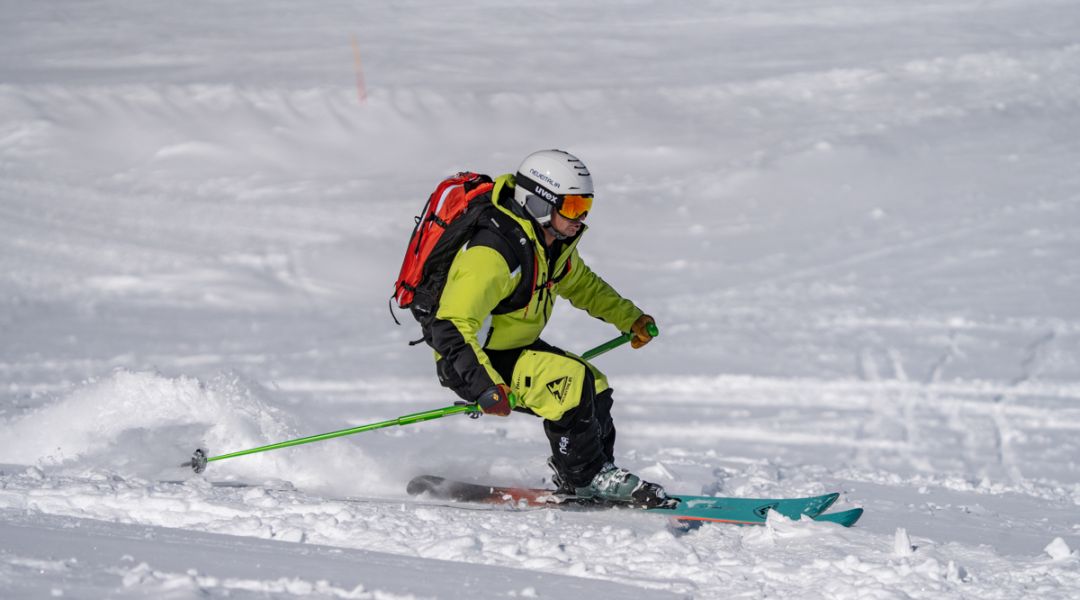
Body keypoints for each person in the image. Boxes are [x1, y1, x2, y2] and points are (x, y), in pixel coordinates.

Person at [428, 149, 666, 506]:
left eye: (586, 206)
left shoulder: (551, 246)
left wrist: (629, 318)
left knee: (593, 383)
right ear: (538, 202)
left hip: (511, 350)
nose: (581, 218)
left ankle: (593, 469)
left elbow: (584, 286)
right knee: (570, 383)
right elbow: (450, 325)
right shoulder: (494, 254)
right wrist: (483, 384)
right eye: (571, 207)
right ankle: (586, 477)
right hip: (474, 361)